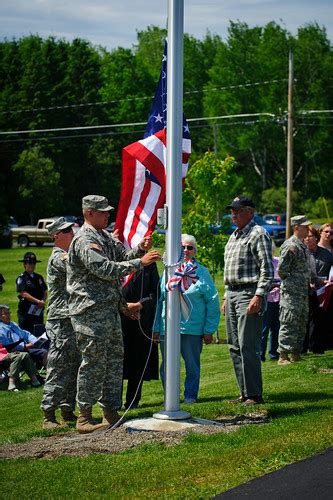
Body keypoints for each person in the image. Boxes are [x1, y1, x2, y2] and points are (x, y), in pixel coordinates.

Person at [67, 195, 160, 434]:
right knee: (93, 362)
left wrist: (139, 249)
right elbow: (104, 269)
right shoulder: (85, 239)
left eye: (108, 211)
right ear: (89, 213)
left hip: (108, 310)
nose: (108, 215)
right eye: (103, 212)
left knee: (113, 362)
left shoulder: (105, 236)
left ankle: (110, 411)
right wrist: (141, 262)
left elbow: (123, 256)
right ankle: (84, 416)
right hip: (89, 312)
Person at [153, 234, 220, 404]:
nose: (185, 250)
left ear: (195, 252)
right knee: (167, 366)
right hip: (168, 328)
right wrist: (156, 328)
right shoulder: (168, 272)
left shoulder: (202, 273)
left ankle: (190, 396)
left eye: (189, 247)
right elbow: (160, 301)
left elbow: (212, 301)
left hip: (192, 329)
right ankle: (170, 397)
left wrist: (209, 330)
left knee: (192, 366)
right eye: (182, 247)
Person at [222, 196, 273, 405]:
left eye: (238, 210)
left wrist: (258, 295)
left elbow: (267, 269)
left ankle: (254, 394)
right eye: (232, 210)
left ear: (250, 212)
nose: (234, 214)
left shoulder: (258, 234)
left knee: (247, 345)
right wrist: (226, 295)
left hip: (248, 293)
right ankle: (244, 392)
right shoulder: (234, 236)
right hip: (233, 293)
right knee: (234, 346)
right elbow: (229, 270)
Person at [41, 217, 81, 430]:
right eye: (66, 231)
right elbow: (75, 263)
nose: (71, 233)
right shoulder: (58, 257)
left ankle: (67, 409)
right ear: (56, 236)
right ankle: (48, 413)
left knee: (73, 364)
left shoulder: (66, 254)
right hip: (60, 319)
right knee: (57, 365)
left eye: (70, 229)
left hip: (71, 317)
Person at [121, 263, 160, 409]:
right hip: (117, 320)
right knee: (116, 363)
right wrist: (123, 307)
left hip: (141, 320)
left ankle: (133, 402)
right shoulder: (115, 258)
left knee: (138, 361)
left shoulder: (149, 265)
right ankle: (113, 404)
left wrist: (139, 305)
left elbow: (155, 292)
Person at [278, 215, 313, 364]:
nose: (308, 229)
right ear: (296, 228)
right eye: (305, 226)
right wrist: (293, 282)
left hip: (302, 292)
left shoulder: (302, 246)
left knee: (300, 322)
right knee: (289, 321)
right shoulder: (290, 245)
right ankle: (283, 356)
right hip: (292, 293)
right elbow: (282, 270)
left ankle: (296, 354)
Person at [304, 226, 333, 353]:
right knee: (305, 319)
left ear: (316, 238)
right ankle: (303, 348)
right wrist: (307, 283)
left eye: (310, 236)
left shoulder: (326, 254)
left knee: (319, 319)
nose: (307, 239)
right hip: (305, 290)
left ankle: (317, 346)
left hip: (323, 290)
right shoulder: (301, 253)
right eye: (305, 236)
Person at [0, 304, 48, 368]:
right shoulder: (1, 329)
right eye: (5, 314)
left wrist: (35, 341)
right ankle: (50, 375)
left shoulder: (13, 324)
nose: (8, 315)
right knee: (44, 352)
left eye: (9, 313)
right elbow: (8, 347)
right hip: (14, 352)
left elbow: (26, 334)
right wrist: (26, 347)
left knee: (46, 348)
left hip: (26, 348)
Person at [16, 252, 47, 334]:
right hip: (26, 312)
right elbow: (23, 293)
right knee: (26, 333)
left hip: (37, 310)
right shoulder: (22, 278)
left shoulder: (39, 277)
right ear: (24, 264)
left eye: (34, 263)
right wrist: (38, 301)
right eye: (30, 263)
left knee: (38, 333)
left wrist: (43, 301)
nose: (32, 265)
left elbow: (44, 291)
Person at [260, 252, 280, 361]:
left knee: (276, 327)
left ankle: (274, 353)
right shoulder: (260, 263)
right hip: (265, 299)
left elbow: (283, 277)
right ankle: (261, 355)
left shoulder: (278, 261)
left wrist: (277, 283)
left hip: (278, 299)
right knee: (264, 329)